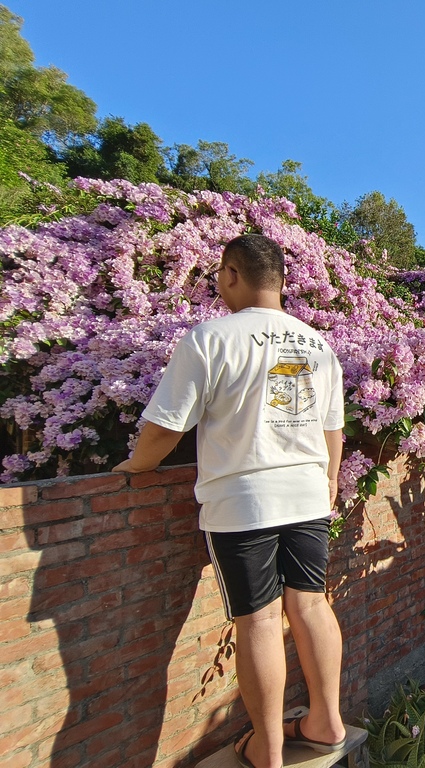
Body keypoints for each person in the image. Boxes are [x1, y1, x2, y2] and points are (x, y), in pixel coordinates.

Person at [113, 233, 363, 768]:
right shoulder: (318, 344)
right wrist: (331, 483)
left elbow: (165, 426)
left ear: (230, 273)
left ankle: (268, 751)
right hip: (307, 494)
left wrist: (135, 467)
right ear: (281, 282)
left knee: (260, 621)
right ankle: (326, 723)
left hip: (244, 501)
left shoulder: (210, 338)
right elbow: (332, 431)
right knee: (313, 604)